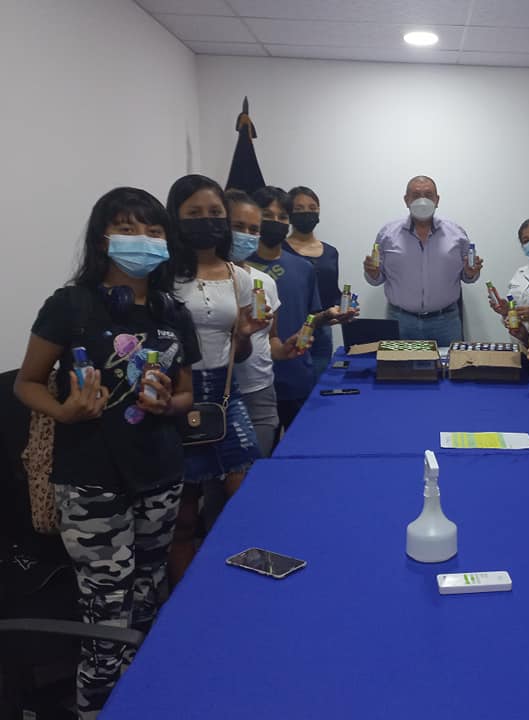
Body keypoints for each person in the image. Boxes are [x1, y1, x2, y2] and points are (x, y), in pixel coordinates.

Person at [14, 187, 200, 719]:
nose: (142, 239)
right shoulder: (70, 305)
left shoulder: (172, 311)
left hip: (160, 474)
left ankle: (145, 699)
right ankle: (96, 709)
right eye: (127, 228)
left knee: (148, 594)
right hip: (91, 481)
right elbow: (26, 383)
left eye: (154, 231)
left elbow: (187, 394)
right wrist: (64, 410)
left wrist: (167, 403)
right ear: (103, 239)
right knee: (107, 611)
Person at [168, 174, 265, 585]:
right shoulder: (162, 275)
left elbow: (238, 352)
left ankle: (240, 583)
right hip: (176, 395)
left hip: (225, 392)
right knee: (184, 514)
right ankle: (185, 596)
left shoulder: (237, 275)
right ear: (175, 217)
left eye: (214, 213)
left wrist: (244, 336)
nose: (206, 221)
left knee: (246, 494)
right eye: (194, 213)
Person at [249, 186, 351, 433]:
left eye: (282, 217)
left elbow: (311, 317)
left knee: (304, 441)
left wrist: (330, 315)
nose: (275, 222)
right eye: (267, 215)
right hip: (251, 380)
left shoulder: (303, 268)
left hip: (296, 373)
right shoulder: (238, 266)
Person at [225, 189, 308, 457]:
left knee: (258, 467)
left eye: (253, 229)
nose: (247, 235)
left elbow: (271, 339)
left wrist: (283, 349)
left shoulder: (265, 282)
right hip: (219, 391)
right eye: (238, 227)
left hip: (260, 389)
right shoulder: (199, 283)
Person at [363, 175, 482, 346]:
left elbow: (468, 276)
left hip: (446, 322)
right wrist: (372, 273)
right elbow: (376, 279)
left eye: (428, 195)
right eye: (416, 195)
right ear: (406, 200)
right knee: (399, 364)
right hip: (400, 320)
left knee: (448, 363)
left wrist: (471, 273)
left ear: (437, 200)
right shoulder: (387, 235)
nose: (422, 200)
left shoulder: (457, 234)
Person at [283, 185, 340, 378]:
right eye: (299, 209)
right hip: (290, 328)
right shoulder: (280, 250)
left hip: (322, 330)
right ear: (289, 213)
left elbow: (333, 292)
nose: (306, 213)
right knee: (294, 383)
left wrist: (343, 310)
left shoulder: (331, 252)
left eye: (312, 208)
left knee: (319, 383)